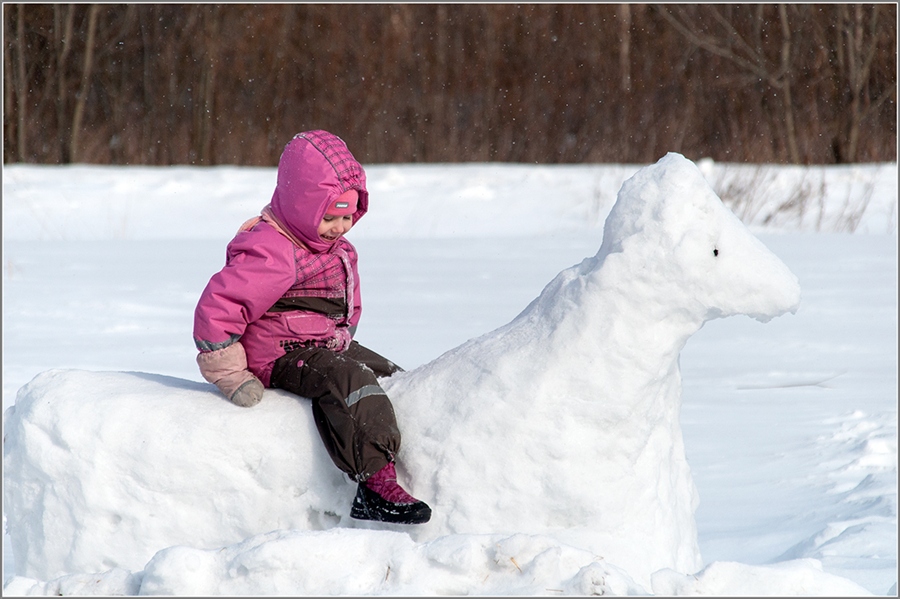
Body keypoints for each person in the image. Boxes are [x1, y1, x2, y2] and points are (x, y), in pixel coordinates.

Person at [193, 130, 431, 525]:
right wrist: (230, 373)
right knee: (349, 380)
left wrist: (341, 336)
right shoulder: (273, 248)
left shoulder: (330, 247)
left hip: (317, 342)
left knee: (388, 373)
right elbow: (221, 305)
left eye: (347, 217)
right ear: (302, 206)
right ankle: (375, 481)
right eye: (330, 217)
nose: (340, 227)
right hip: (278, 353)